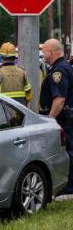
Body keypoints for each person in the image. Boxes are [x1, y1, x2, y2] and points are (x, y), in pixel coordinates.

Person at [39, 39, 73, 194]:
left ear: (51, 52)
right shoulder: (61, 67)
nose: (43, 54)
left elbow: (59, 99)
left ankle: (69, 188)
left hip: (63, 118)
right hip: (66, 117)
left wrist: (50, 120)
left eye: (44, 51)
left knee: (68, 151)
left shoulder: (59, 71)